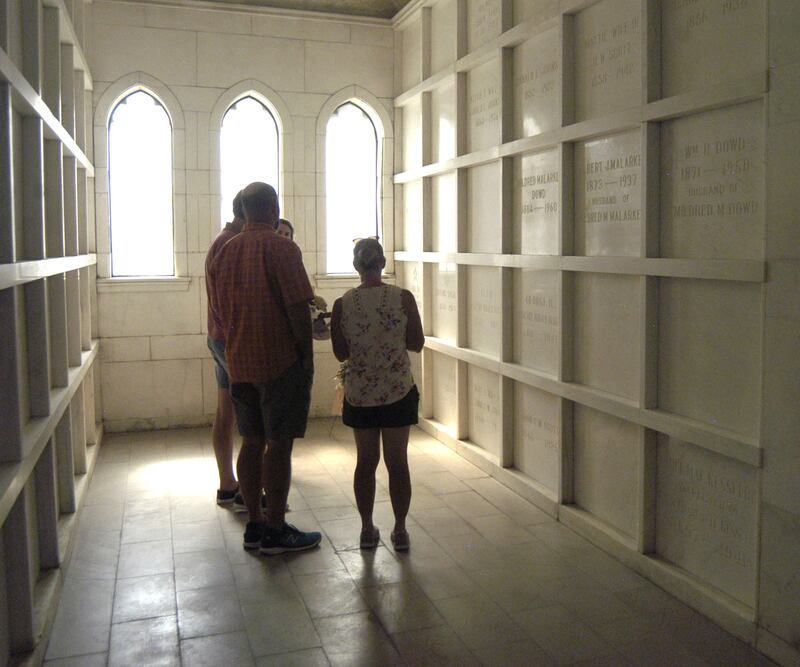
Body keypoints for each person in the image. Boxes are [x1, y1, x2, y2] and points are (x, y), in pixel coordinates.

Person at [207, 182, 321, 555]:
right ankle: (276, 529)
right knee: (279, 444)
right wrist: (305, 356)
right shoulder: (282, 248)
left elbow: (221, 312)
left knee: (251, 441)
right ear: (273, 208)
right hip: (279, 363)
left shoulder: (225, 252)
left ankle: (254, 525)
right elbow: (297, 309)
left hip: (240, 363)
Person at [330, 238, 424, 551]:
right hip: (397, 391)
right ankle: (400, 529)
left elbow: (341, 353)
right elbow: (416, 343)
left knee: (365, 463)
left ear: (356, 266)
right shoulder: (403, 298)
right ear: (382, 263)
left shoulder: (343, 303)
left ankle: (367, 529)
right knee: (398, 463)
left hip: (361, 396)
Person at [205, 191, 244, 505]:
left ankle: (227, 484)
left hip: (219, 337)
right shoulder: (230, 244)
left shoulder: (222, 239)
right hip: (232, 340)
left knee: (225, 411)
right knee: (250, 415)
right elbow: (227, 302)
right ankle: (245, 487)